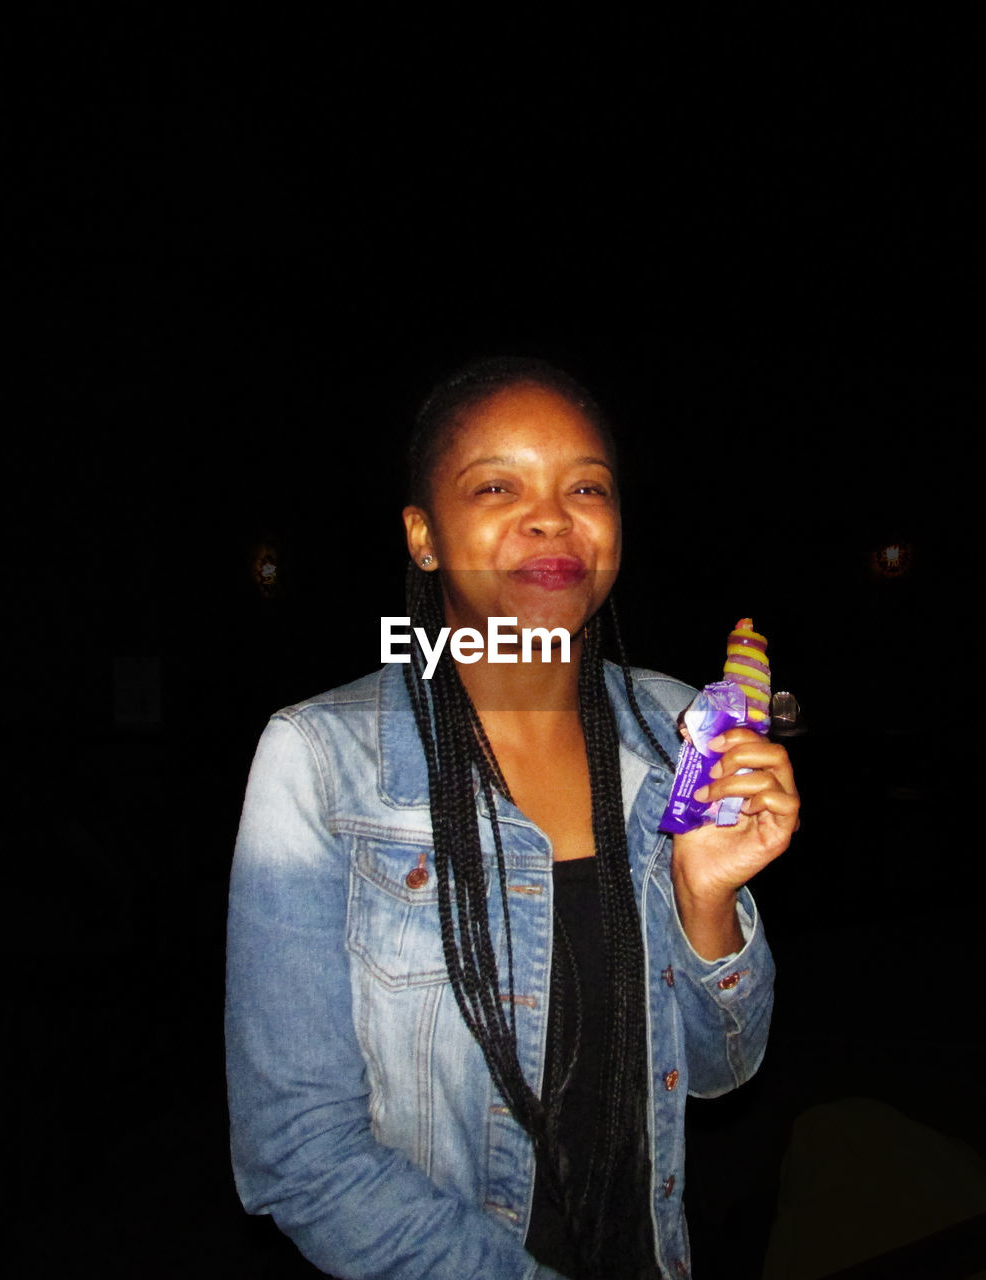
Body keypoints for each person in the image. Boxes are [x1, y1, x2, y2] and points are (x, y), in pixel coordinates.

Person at [225, 357, 800, 1280]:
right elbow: (296, 1156)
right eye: (498, 485)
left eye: (587, 486)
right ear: (423, 535)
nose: (551, 515)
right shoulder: (323, 759)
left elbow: (723, 1068)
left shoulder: (673, 729)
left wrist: (707, 899)